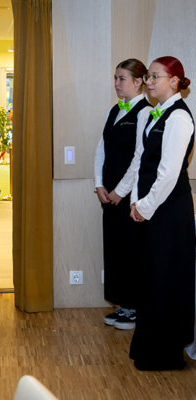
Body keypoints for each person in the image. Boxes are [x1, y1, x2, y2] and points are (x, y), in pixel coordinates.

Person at [129, 56, 194, 371]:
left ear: (174, 81)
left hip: (169, 211)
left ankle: (165, 354)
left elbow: (168, 173)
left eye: (155, 76)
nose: (149, 82)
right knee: (152, 278)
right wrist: (135, 201)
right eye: (148, 76)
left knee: (166, 279)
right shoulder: (155, 113)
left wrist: (144, 207)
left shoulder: (179, 117)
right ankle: (150, 349)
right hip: (153, 207)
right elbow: (142, 163)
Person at [93, 59, 152, 330]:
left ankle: (134, 307)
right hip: (109, 195)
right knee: (115, 250)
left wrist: (120, 191)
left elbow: (140, 158)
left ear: (138, 82)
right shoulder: (114, 110)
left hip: (129, 197)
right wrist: (99, 184)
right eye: (115, 78)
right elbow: (101, 149)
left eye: (122, 79)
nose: (116, 83)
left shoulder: (145, 112)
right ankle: (123, 305)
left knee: (131, 251)